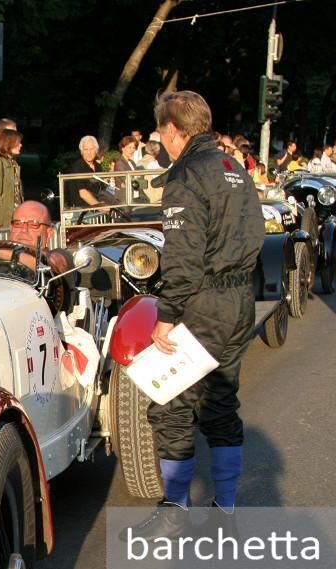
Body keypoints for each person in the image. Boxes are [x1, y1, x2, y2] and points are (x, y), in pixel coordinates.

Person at [143, 90, 264, 518]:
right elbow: (257, 234)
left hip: (203, 300)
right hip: (239, 300)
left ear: (175, 130)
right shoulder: (234, 167)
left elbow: (184, 255)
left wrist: (167, 315)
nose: (161, 143)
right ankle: (225, 505)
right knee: (220, 400)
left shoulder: (186, 174)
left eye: (161, 134)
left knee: (170, 402)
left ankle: (175, 506)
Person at [65, 135, 108, 208]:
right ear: (81, 152)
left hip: (96, 207)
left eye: (91, 149)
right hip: (81, 210)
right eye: (85, 149)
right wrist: (100, 206)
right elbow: (83, 193)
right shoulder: (78, 167)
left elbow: (102, 190)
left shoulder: (98, 166)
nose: (89, 152)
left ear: (96, 150)